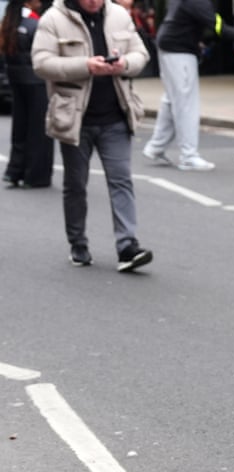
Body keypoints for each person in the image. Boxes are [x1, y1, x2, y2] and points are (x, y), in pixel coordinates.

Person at [32, 0, 154, 271]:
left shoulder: (119, 15)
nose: (93, 0)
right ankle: (78, 243)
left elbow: (140, 54)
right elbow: (41, 63)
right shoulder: (54, 18)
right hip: (75, 118)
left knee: (121, 180)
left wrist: (124, 63)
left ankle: (127, 247)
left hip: (116, 116)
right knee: (76, 185)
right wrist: (85, 65)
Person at [143, 0, 234, 171]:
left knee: (172, 99)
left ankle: (156, 147)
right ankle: (188, 156)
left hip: (169, 46)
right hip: (180, 52)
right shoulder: (199, 2)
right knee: (187, 104)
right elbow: (220, 29)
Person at [2, 0, 53, 188]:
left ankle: (15, 170)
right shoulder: (35, 23)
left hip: (16, 79)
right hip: (36, 80)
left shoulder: (10, 22)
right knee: (38, 130)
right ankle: (35, 175)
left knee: (20, 126)